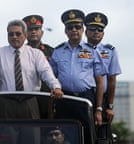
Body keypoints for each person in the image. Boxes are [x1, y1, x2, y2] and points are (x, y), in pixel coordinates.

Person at [0, 19, 63, 144]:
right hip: (7, 105)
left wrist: (55, 87)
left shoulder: (36, 54)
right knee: (7, 141)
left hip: (30, 104)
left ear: (25, 35)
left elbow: (46, 72)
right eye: (11, 34)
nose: (14, 37)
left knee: (32, 140)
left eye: (18, 34)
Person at [49, 9, 107, 143]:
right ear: (65, 31)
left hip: (85, 99)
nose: (74, 30)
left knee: (88, 136)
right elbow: (52, 80)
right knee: (64, 138)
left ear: (82, 30)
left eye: (78, 27)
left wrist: (99, 109)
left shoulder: (93, 51)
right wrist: (51, 107)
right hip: (65, 99)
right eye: (70, 27)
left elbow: (100, 82)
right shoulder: (57, 52)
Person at [84, 12, 122, 140]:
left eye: (100, 29)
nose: (96, 32)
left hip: (103, 99)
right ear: (86, 32)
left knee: (101, 135)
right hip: (84, 96)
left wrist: (110, 106)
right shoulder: (79, 50)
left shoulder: (110, 51)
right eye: (92, 29)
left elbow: (112, 80)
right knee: (83, 133)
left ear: (103, 33)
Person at [22, 14, 55, 119]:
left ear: (42, 32)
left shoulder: (52, 51)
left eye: (36, 29)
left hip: (47, 97)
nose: (33, 32)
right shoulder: (20, 52)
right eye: (30, 29)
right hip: (27, 97)